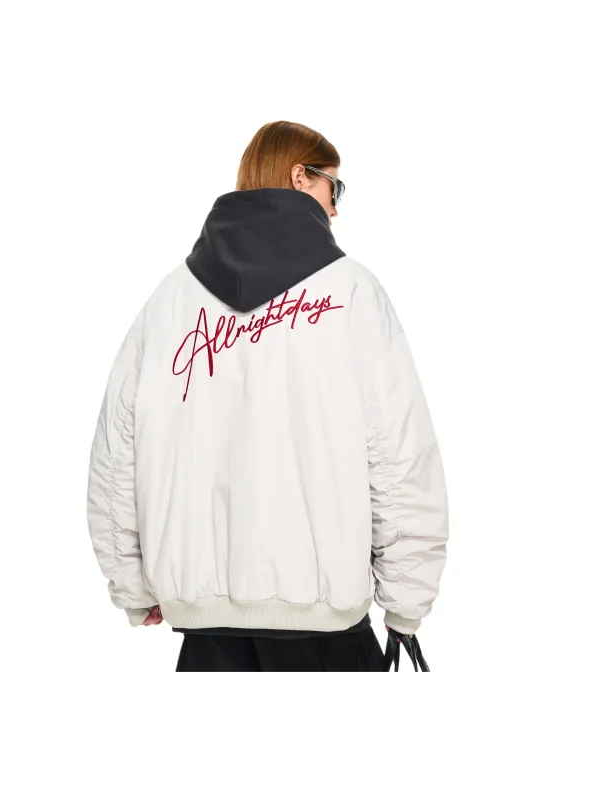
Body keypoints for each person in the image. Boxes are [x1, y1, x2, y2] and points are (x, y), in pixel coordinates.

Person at [86, 120, 449, 671]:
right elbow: (400, 457)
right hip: (325, 628)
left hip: (206, 634)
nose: (335, 209)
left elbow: (116, 459)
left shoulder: (169, 301)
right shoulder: (350, 292)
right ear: (301, 177)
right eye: (334, 187)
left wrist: (132, 584)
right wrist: (406, 601)